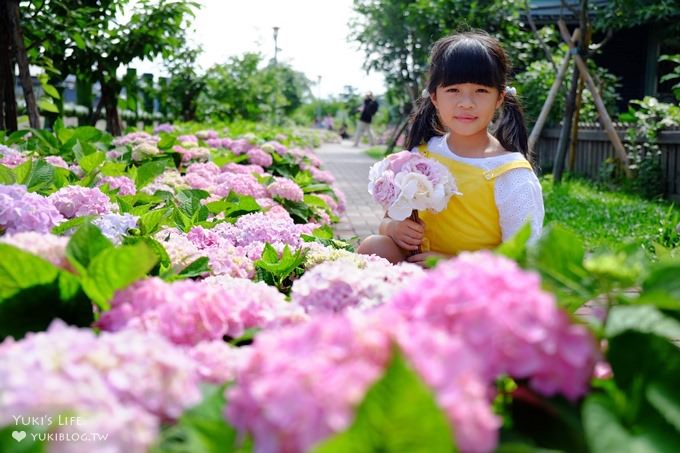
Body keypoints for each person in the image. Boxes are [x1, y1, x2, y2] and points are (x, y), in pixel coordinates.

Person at [357, 31, 544, 266]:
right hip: (417, 272)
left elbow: (524, 257)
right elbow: (386, 220)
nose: (466, 102)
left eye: (481, 91)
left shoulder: (510, 173)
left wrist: (453, 264)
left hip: (475, 285)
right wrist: (394, 228)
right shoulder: (421, 157)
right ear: (434, 97)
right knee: (374, 246)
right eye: (453, 90)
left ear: (499, 98)